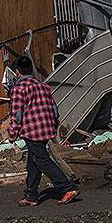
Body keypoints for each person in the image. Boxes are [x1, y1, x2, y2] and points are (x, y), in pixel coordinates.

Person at [7, 56, 78, 206]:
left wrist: (12, 133)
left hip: (32, 130)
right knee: (33, 162)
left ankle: (67, 187)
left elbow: (17, 115)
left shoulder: (18, 89)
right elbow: (54, 108)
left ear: (16, 72)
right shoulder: (43, 85)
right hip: (47, 127)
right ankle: (31, 195)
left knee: (42, 161)